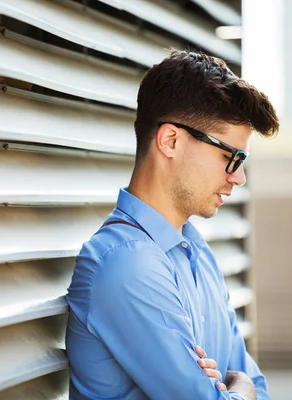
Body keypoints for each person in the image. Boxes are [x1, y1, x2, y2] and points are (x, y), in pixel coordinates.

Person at [65, 50, 279, 400]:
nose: (238, 177)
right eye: (229, 157)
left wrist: (239, 389)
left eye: (242, 161)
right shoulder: (125, 263)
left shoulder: (198, 255)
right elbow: (242, 387)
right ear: (170, 141)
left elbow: (260, 388)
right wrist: (239, 387)